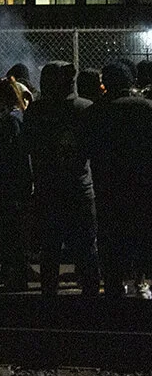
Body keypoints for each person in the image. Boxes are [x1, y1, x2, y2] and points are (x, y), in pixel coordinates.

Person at [24, 61, 100, 297]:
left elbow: (26, 148)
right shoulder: (86, 108)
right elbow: (95, 150)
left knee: (50, 247)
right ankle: (91, 294)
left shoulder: (36, 111)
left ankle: (49, 296)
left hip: (49, 188)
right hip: (79, 187)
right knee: (86, 245)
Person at [84, 62, 152, 299]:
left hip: (108, 184)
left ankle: (114, 282)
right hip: (142, 182)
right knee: (141, 231)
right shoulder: (146, 108)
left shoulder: (95, 111)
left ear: (106, 84)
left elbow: (86, 149)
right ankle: (140, 280)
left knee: (111, 233)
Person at [0, 76, 33, 291]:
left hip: (9, 182)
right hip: (19, 182)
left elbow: (6, 154)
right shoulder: (20, 115)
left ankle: (14, 274)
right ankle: (16, 271)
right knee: (16, 228)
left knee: (8, 228)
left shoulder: (9, 120)